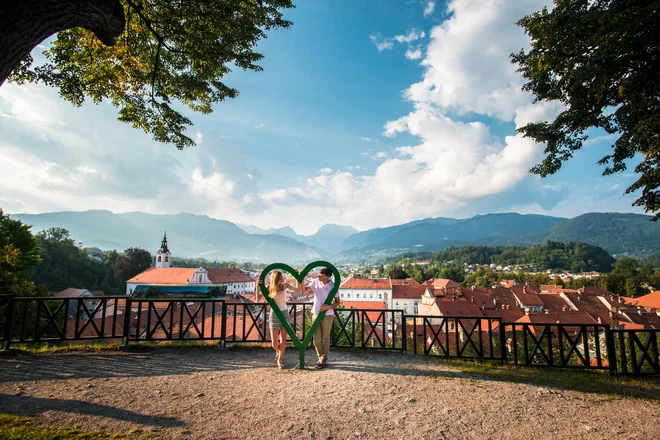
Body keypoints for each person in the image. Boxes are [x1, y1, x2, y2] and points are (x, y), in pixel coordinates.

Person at [300, 267, 340, 369]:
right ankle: (320, 358)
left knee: (325, 337)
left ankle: (323, 360)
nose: (319, 276)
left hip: (328, 314)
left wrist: (329, 306)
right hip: (316, 313)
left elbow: (338, 302)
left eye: (321, 275)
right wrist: (301, 279)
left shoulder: (333, 286)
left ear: (327, 276)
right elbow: (304, 291)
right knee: (316, 340)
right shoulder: (315, 282)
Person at [261, 271, 295, 369]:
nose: (282, 279)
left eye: (283, 278)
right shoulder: (268, 287)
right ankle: (278, 351)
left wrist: (298, 279)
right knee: (274, 343)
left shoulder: (284, 286)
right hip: (274, 314)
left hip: (284, 313)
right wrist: (258, 285)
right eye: (280, 278)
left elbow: (299, 289)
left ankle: (280, 360)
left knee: (283, 339)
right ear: (275, 278)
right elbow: (258, 297)